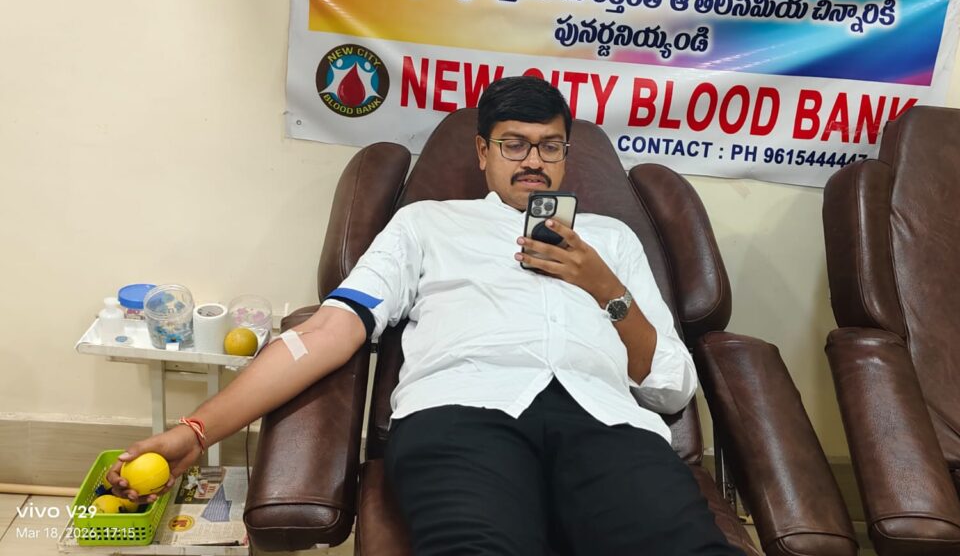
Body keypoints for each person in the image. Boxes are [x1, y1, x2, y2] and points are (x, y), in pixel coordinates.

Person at [110, 76, 743, 556]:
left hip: (607, 423)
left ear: (565, 155)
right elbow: (328, 330)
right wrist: (195, 432)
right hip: (462, 417)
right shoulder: (426, 225)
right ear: (482, 152)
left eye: (550, 146)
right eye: (514, 144)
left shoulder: (612, 239)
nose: (533, 160)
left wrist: (606, 289)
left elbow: (669, 386)